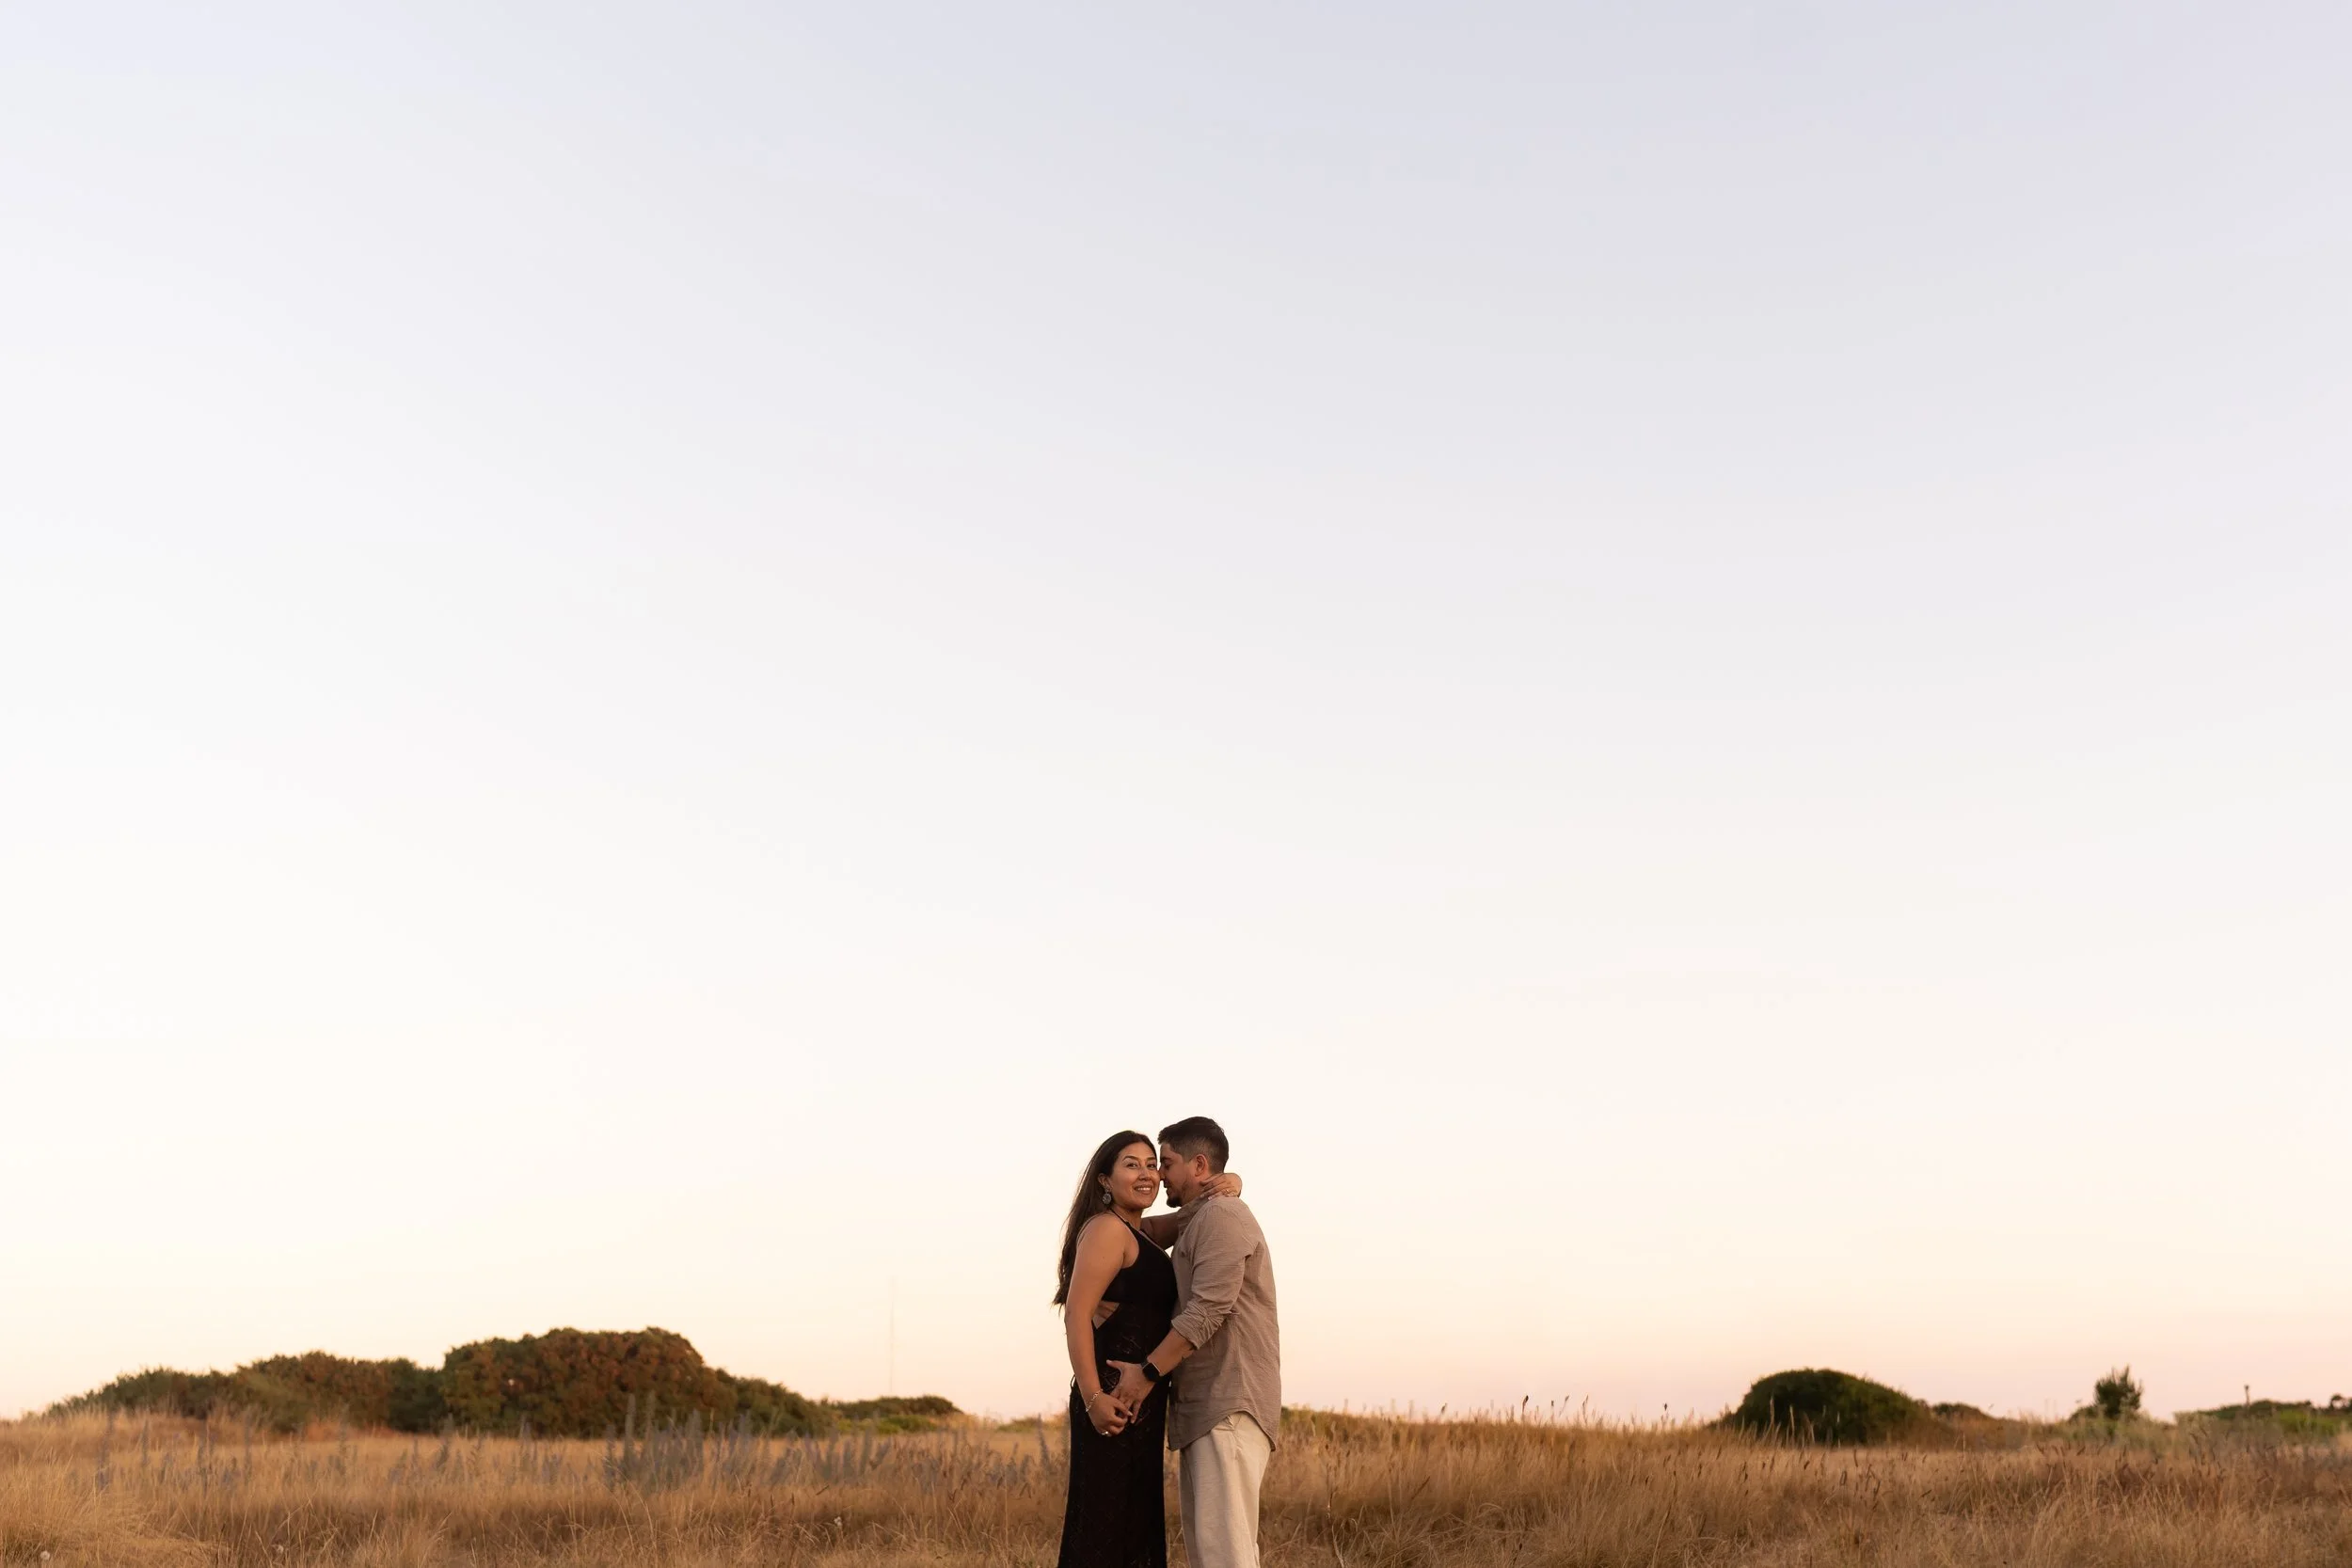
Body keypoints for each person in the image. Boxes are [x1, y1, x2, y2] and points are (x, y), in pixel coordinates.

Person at [1054, 1130, 1242, 1568]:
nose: (1147, 1174)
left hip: (1140, 1400)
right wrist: (1093, 1398)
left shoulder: (1143, 1232)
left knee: (1132, 1525)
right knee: (1103, 1529)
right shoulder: (1105, 1230)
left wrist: (1231, 1181)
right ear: (1104, 1180)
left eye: (1152, 1164)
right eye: (1131, 1164)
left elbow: (1195, 1210)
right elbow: (1076, 1315)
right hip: (1111, 1399)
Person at [1106, 1117, 1280, 1568]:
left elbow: (1207, 1313)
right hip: (1208, 1408)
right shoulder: (1200, 1213)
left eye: (1166, 1163)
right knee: (1212, 1552)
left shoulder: (1222, 1215)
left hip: (1229, 1405)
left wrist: (1144, 1375)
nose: (1158, 1174)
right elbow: (1138, 1233)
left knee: (1226, 1556)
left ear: (1199, 1165)